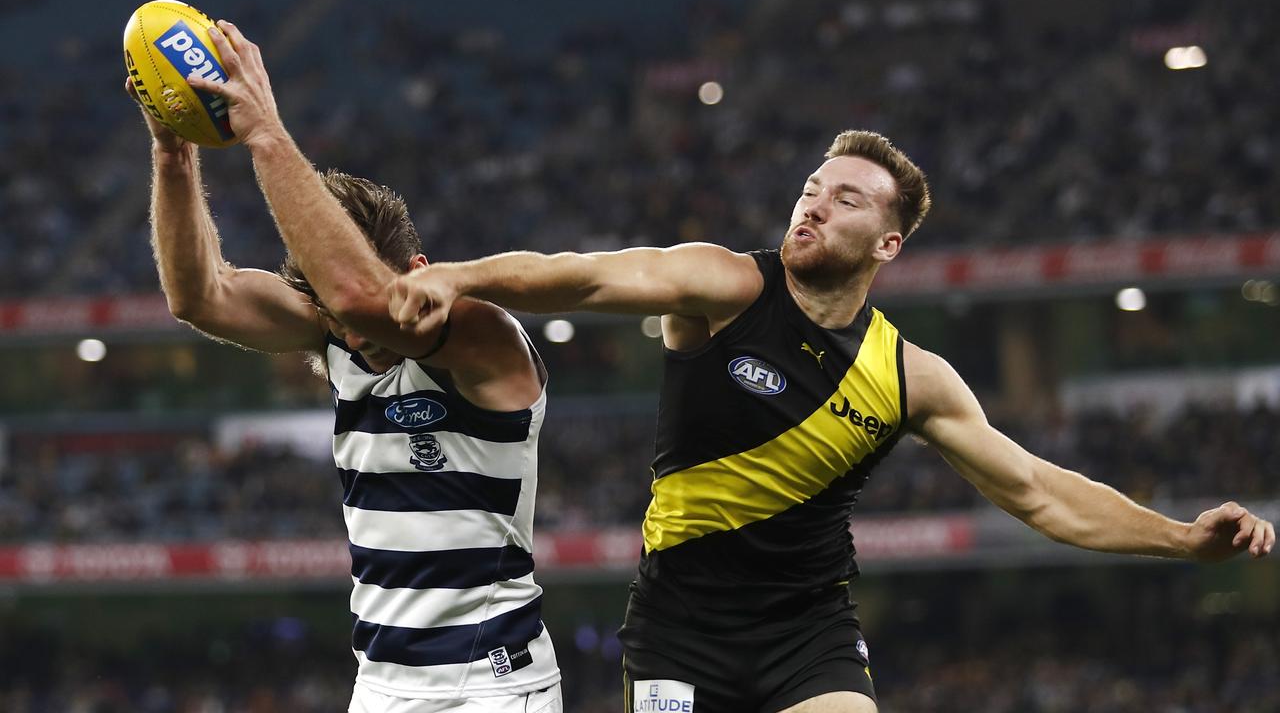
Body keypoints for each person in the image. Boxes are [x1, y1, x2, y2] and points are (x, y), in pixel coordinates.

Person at [386, 129, 1276, 713]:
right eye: (812, 187)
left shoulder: (910, 378)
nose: (813, 203)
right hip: (677, 631)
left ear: (888, 244)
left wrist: (1182, 540)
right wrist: (457, 276)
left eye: (847, 199)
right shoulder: (728, 287)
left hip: (805, 637)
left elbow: (1040, 493)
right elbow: (580, 275)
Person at [131, 21, 562, 713]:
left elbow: (360, 300)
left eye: (349, 313)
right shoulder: (335, 331)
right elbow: (199, 296)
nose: (353, 336)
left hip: (489, 684)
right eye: (331, 321)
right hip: (381, 684)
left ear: (420, 272)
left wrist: (266, 132)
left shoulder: (485, 335)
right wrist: (173, 154)